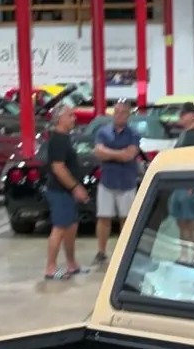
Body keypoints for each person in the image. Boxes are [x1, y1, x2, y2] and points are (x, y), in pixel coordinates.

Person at [90, 98, 143, 265]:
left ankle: (124, 252)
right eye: (117, 112)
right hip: (107, 182)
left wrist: (109, 153)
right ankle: (101, 252)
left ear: (128, 115)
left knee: (126, 219)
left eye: (123, 112)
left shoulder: (134, 134)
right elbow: (98, 152)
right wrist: (119, 154)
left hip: (127, 182)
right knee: (103, 217)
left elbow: (130, 155)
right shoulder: (102, 132)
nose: (119, 115)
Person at [41, 104, 86, 281]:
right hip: (60, 191)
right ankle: (50, 268)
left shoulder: (65, 138)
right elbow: (58, 168)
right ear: (59, 118)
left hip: (66, 192)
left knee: (71, 227)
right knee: (59, 228)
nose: (73, 118)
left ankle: (71, 263)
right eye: (70, 115)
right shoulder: (58, 140)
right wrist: (75, 187)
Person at [169, 103, 194, 254]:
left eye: (184, 113)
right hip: (181, 183)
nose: (181, 117)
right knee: (181, 221)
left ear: (193, 116)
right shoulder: (185, 134)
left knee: (191, 221)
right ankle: (184, 254)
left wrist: (193, 184)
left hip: (190, 185)